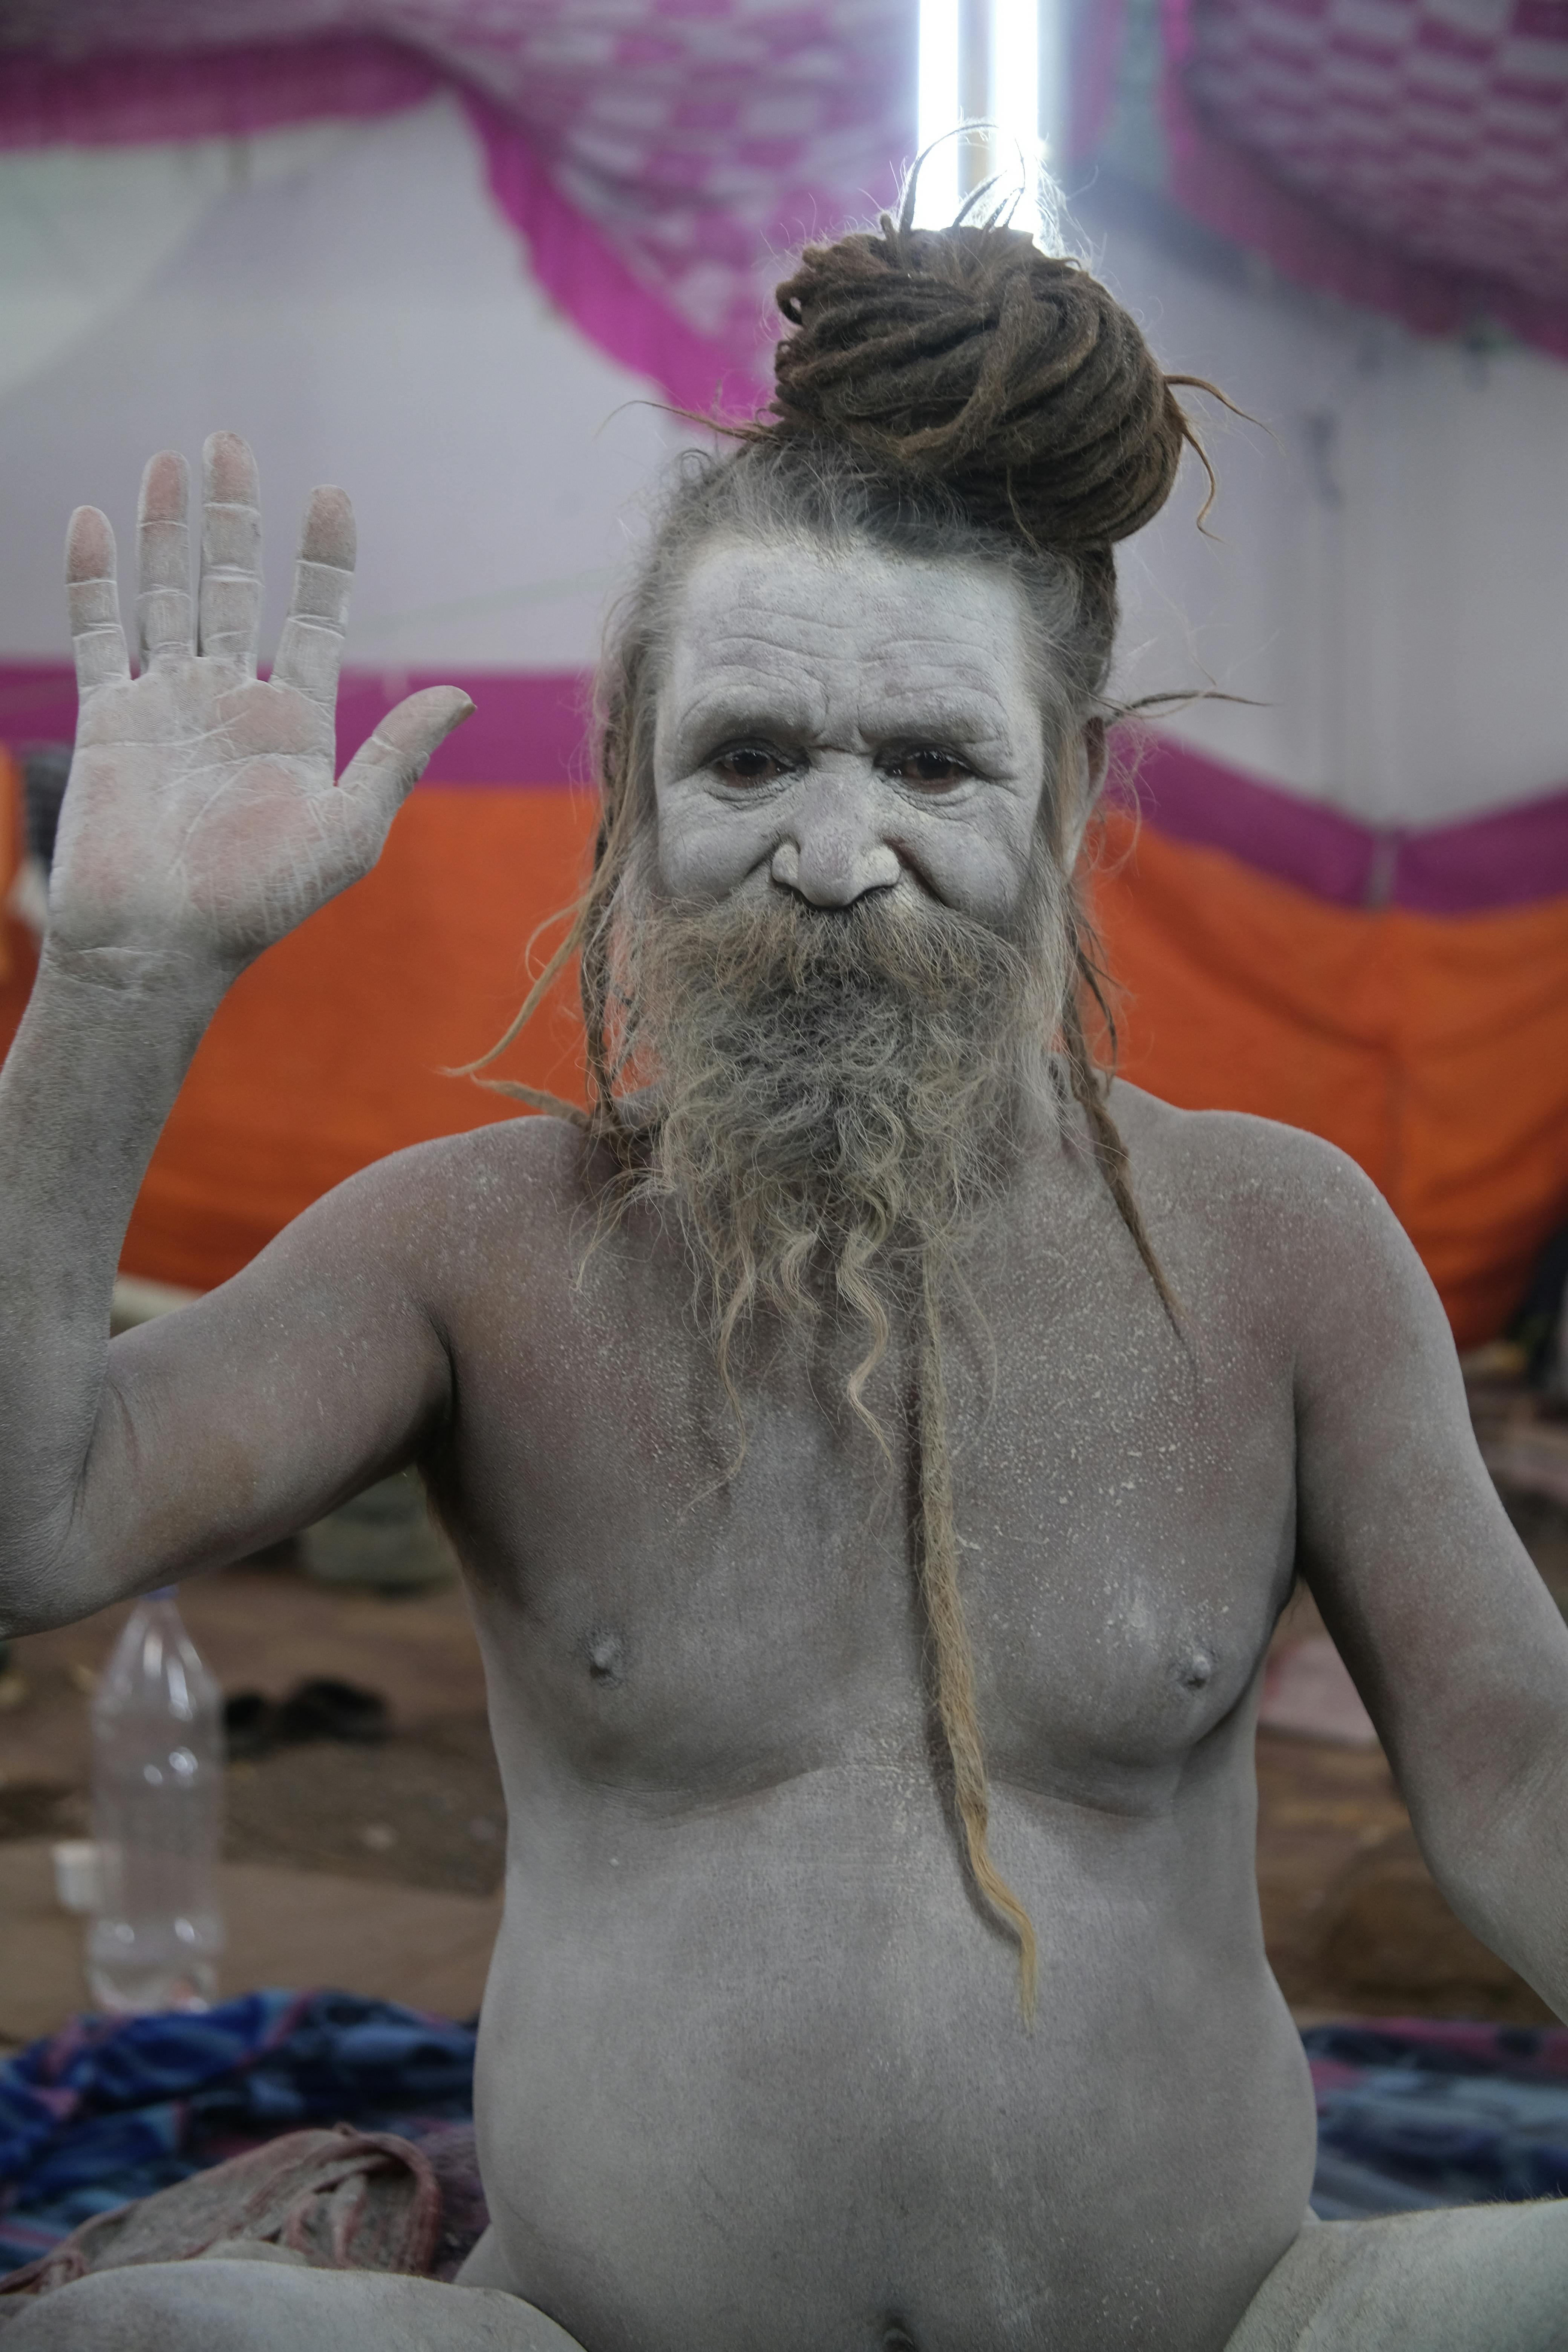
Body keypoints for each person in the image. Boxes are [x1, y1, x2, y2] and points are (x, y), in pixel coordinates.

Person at [2, 210, 1566, 2352]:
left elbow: (1516, 1779)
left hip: (1256, 2328)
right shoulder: (479, 1245)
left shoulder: (1280, 1244)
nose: (837, 860)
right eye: (749, 759)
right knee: (113, 2343)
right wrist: (111, 989)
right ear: (633, 792)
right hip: (584, 2337)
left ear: (1074, 790)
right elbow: (36, 1517)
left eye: (934, 766)